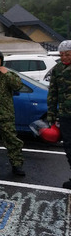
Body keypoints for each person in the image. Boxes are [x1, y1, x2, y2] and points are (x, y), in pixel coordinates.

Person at [47, 40, 71, 188]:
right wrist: (51, 114)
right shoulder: (57, 69)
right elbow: (52, 93)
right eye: (62, 55)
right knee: (69, 146)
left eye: (67, 54)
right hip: (65, 115)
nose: (64, 58)